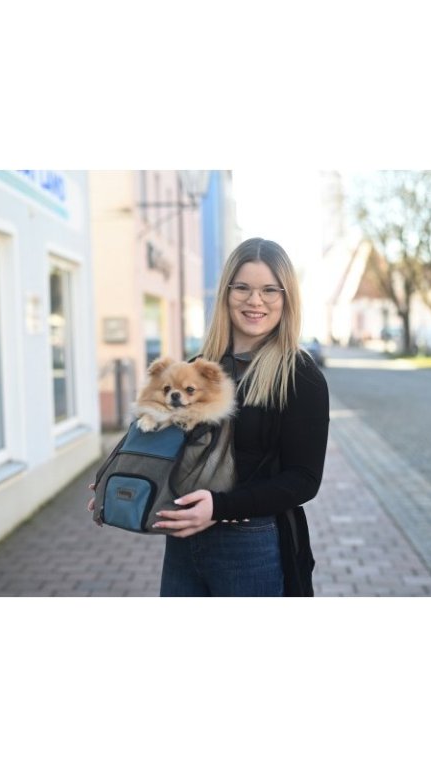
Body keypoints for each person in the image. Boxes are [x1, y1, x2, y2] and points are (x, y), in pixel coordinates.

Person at [90, 237, 329, 596]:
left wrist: (219, 507)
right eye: (242, 288)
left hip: (250, 544)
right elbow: (160, 432)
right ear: (226, 293)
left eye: (269, 290)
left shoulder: (299, 375)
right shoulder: (196, 367)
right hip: (183, 542)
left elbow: (304, 479)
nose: (255, 300)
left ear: (286, 298)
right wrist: (117, 477)